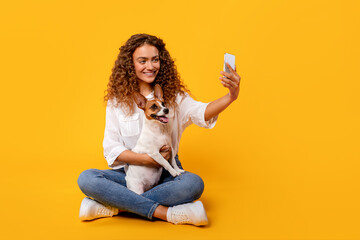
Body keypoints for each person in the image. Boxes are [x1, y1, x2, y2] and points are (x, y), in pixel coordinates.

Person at [77, 33, 241, 226]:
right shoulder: (117, 102)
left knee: (193, 184)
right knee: (87, 178)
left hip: (167, 173)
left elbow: (201, 112)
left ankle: (116, 206)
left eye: (155, 60)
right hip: (131, 172)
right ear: (130, 65)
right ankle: (168, 214)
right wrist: (146, 160)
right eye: (142, 60)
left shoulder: (174, 96)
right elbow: (111, 148)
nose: (150, 66)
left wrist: (230, 97)